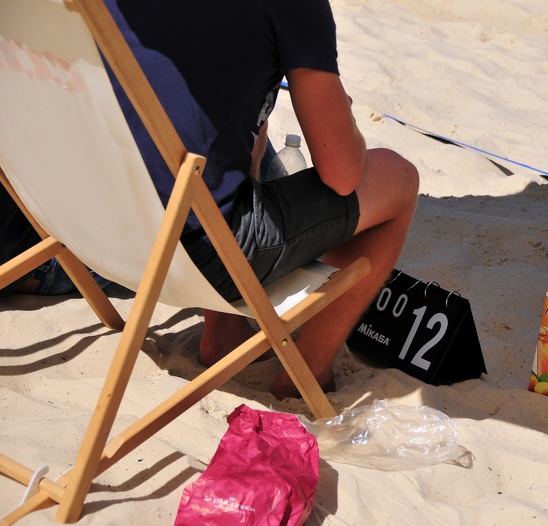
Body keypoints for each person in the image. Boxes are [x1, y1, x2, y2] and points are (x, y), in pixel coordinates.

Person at [105, 1, 419, 400]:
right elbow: (342, 176)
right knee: (397, 176)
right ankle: (305, 378)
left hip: (92, 228)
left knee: (242, 120)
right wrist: (348, 121)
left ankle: (226, 333)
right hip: (188, 250)